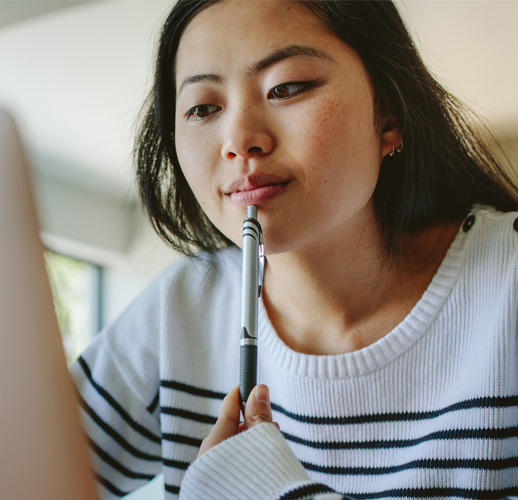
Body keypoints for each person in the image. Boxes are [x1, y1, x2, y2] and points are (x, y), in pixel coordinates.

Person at [70, 1, 518, 499]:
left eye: (287, 87)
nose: (239, 140)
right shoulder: (180, 306)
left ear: (388, 113)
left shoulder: (509, 281)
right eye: (202, 108)